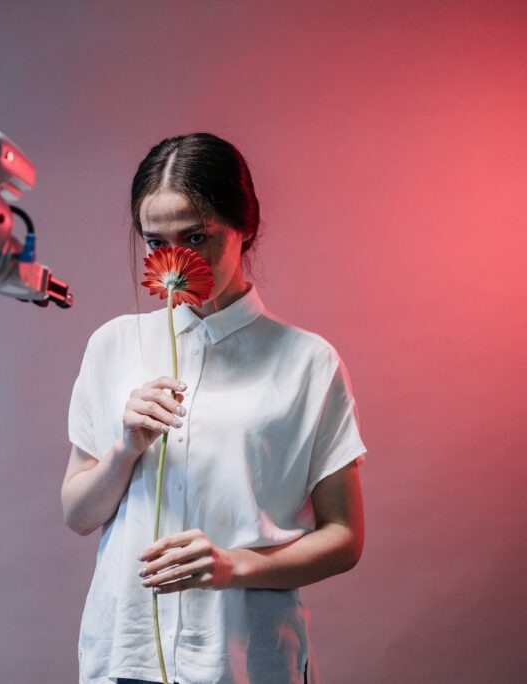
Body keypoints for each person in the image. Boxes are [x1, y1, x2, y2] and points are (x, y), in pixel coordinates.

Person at [61, 133, 367, 684]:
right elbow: (78, 514)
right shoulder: (113, 345)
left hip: (247, 658)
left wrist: (235, 567)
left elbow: (344, 536)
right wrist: (125, 449)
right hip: (124, 653)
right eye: (156, 242)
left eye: (196, 237)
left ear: (244, 226)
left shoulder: (308, 361)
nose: (175, 261)